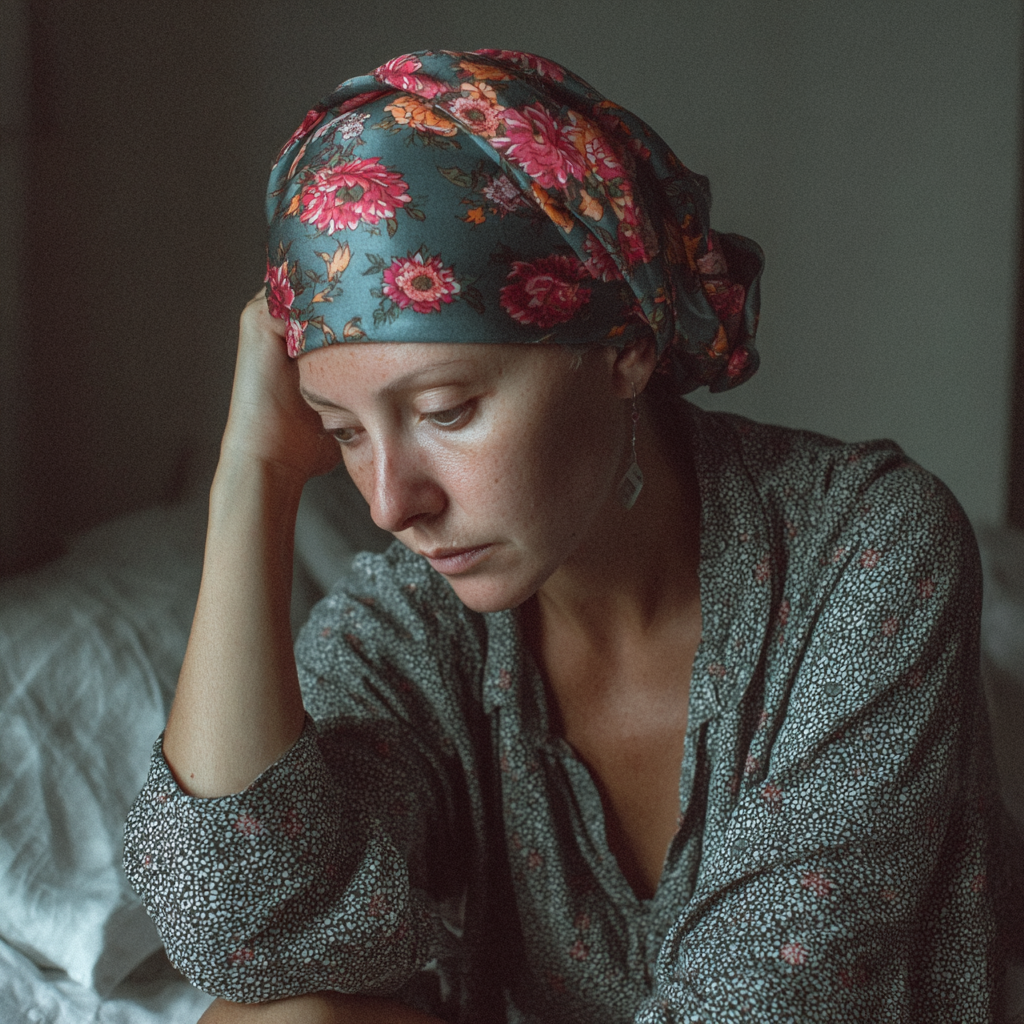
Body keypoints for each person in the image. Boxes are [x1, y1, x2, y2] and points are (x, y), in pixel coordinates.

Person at [124, 49, 1009, 1023]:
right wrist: (251, 476)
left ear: (623, 347)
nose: (389, 504)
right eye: (341, 434)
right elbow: (243, 934)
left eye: (447, 410)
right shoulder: (425, 619)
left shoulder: (871, 547)